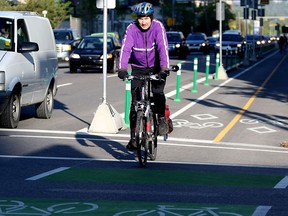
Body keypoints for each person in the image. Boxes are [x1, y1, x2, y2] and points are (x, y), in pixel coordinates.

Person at [117, 2, 170, 151]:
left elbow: (162, 47)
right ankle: (133, 137)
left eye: (146, 18)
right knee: (135, 104)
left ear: (151, 18)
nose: (143, 21)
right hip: (138, 68)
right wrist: (122, 69)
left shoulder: (158, 27)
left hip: (156, 67)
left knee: (158, 92)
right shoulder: (131, 28)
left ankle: (161, 119)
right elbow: (125, 49)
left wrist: (164, 68)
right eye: (141, 18)